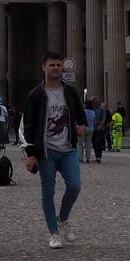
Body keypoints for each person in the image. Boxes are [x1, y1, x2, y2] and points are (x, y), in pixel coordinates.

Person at [21, 52, 86, 249]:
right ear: (44, 68)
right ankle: (54, 233)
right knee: (47, 191)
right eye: (52, 65)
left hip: (68, 148)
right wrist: (30, 154)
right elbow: (29, 127)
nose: (56, 68)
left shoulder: (71, 92)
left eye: (58, 65)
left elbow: (81, 115)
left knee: (75, 185)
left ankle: (62, 218)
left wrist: (82, 126)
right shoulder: (35, 95)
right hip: (46, 150)